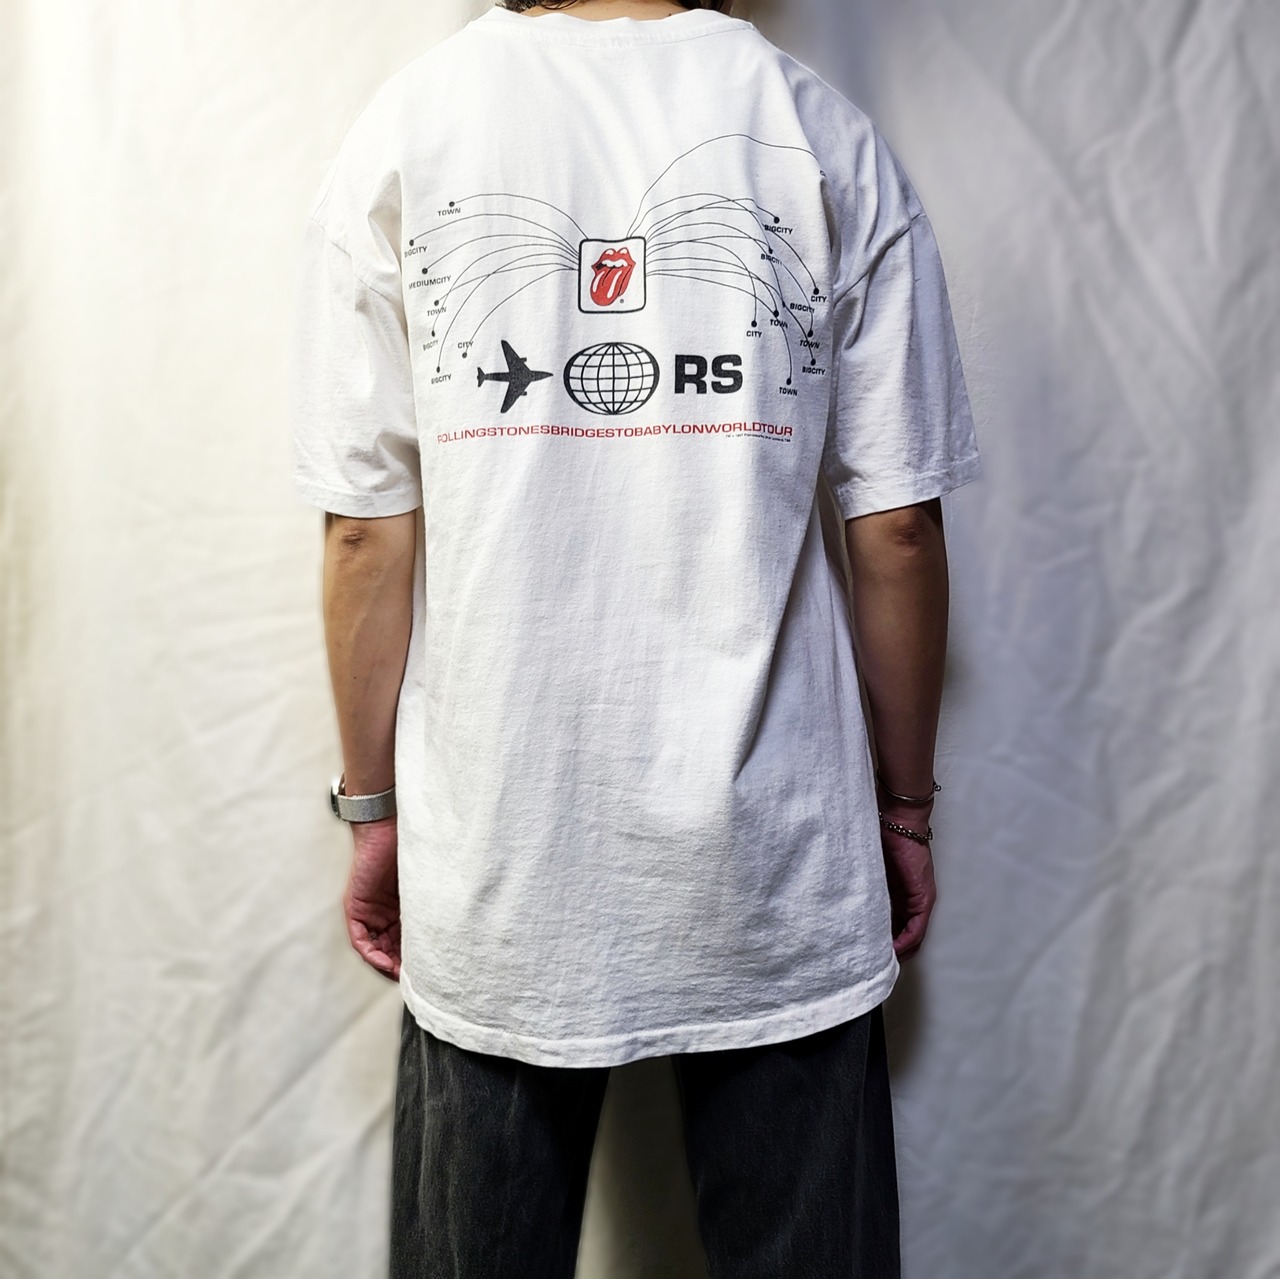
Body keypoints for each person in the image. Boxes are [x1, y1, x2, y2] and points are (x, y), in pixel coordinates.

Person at [290, 0, 984, 1273]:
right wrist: (900, 810)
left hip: (500, 857)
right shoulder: (813, 129)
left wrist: (373, 808)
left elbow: (364, 536)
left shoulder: (411, 128)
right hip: (777, 855)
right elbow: (894, 528)